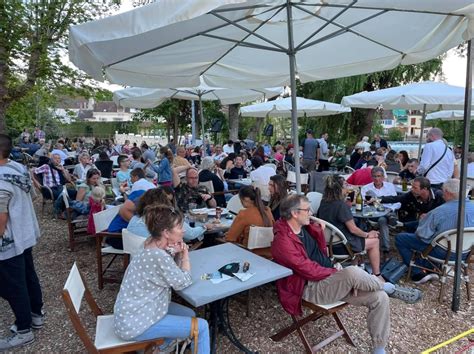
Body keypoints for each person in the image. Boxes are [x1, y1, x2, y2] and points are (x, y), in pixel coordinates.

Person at [272, 195, 413, 354]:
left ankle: (379, 348)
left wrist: (339, 275)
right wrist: (339, 274)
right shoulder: (282, 241)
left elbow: (322, 255)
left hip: (329, 281)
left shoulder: (306, 227)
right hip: (309, 288)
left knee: (380, 298)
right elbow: (308, 270)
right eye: (307, 209)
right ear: (294, 213)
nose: (311, 212)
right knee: (352, 272)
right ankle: (386, 286)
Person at [113, 204, 210, 352]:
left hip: (132, 311)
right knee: (201, 327)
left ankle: (160, 348)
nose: (183, 230)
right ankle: (153, 348)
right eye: (179, 227)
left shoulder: (149, 243)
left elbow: (169, 273)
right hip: (135, 324)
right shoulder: (158, 256)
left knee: (189, 314)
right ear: (166, 232)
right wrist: (185, 256)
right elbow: (183, 281)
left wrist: (175, 254)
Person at [0, 134, 43, 350]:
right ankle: (36, 314)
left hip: (9, 241)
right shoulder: (18, 169)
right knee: (28, 275)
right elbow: (34, 196)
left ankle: (24, 329)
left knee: (13, 284)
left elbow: (0, 221)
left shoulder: (0, 181)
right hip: (26, 232)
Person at [395, 179, 474, 283]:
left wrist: (423, 222)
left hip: (443, 253)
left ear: (447, 193)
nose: (441, 195)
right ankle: (431, 268)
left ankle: (417, 271)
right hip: (466, 253)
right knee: (435, 239)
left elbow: (422, 235)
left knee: (401, 238)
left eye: (443, 191)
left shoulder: (439, 211)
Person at [318, 175, 383, 276]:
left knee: (358, 234)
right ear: (339, 189)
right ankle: (377, 275)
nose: (347, 187)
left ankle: (357, 268)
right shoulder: (341, 205)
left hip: (328, 245)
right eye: (345, 185)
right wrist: (367, 234)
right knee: (375, 241)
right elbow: (353, 229)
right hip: (343, 246)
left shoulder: (324, 202)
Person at [128, 187, 212, 242]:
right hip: (160, 260)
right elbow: (190, 234)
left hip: (137, 261)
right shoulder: (168, 219)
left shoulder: (134, 219)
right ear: (164, 202)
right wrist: (205, 227)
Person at [379, 176, 444, 232]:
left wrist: (431, 215)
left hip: (438, 224)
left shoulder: (439, 195)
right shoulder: (413, 194)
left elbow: (447, 211)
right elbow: (397, 198)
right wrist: (378, 199)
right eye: (412, 187)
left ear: (424, 189)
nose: (412, 189)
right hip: (423, 222)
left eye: (415, 188)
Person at [361, 167, 401, 255]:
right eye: (374, 176)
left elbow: (398, 202)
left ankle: (385, 249)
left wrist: (391, 208)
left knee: (382, 220)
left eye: (379, 176)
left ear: (383, 177)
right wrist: (367, 203)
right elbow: (363, 204)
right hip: (373, 213)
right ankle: (385, 250)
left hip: (388, 210)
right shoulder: (366, 188)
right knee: (383, 218)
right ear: (371, 177)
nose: (377, 179)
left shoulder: (390, 186)